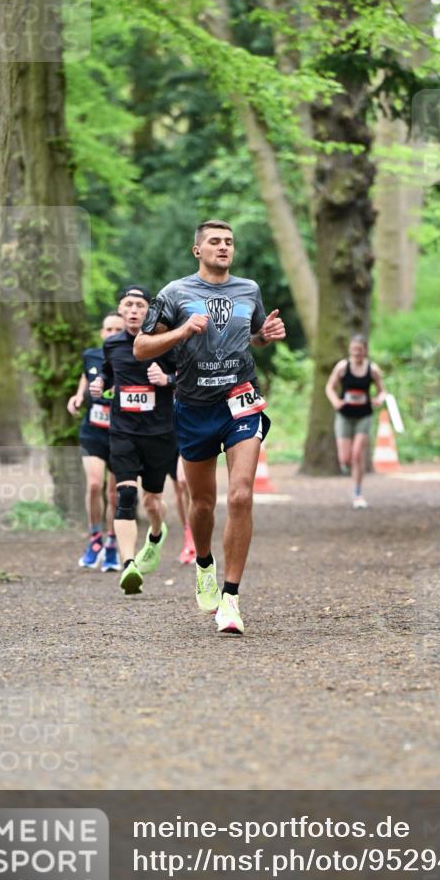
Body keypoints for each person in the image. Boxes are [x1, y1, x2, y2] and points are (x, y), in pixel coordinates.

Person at [133, 219, 285, 635]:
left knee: (240, 495)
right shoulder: (174, 293)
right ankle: (204, 564)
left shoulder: (248, 290)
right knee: (201, 504)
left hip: (240, 401)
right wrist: (182, 331)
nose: (223, 247)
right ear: (197, 250)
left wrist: (266, 335)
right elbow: (141, 346)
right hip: (193, 408)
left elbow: (251, 335)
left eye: (229, 242)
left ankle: (231, 599)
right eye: (215, 242)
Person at [90, 286, 178, 595]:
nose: (133, 310)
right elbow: (108, 373)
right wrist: (100, 382)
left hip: (159, 433)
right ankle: (129, 564)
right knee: (125, 495)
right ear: (120, 310)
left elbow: (189, 377)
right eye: (128, 304)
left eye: (140, 305)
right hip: (123, 431)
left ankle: (155, 534)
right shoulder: (112, 344)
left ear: (148, 311)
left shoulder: (165, 342)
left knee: (152, 501)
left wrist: (167, 379)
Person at [67, 310, 124, 570]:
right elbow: (85, 374)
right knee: (93, 485)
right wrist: (78, 396)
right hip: (93, 431)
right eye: (109, 329)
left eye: (117, 330)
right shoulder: (91, 355)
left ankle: (112, 543)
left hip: (120, 434)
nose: (112, 334)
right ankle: (94, 539)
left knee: (113, 493)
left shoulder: (132, 357)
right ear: (102, 333)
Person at [325, 334, 387, 509]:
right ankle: (347, 467)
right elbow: (329, 387)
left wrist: (379, 399)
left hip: (364, 415)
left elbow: (382, 391)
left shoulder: (372, 369)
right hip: (344, 415)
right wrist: (335, 402)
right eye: (354, 349)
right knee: (345, 458)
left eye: (359, 350)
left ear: (365, 350)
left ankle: (358, 493)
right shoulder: (342, 367)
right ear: (350, 350)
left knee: (357, 454)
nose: (356, 353)